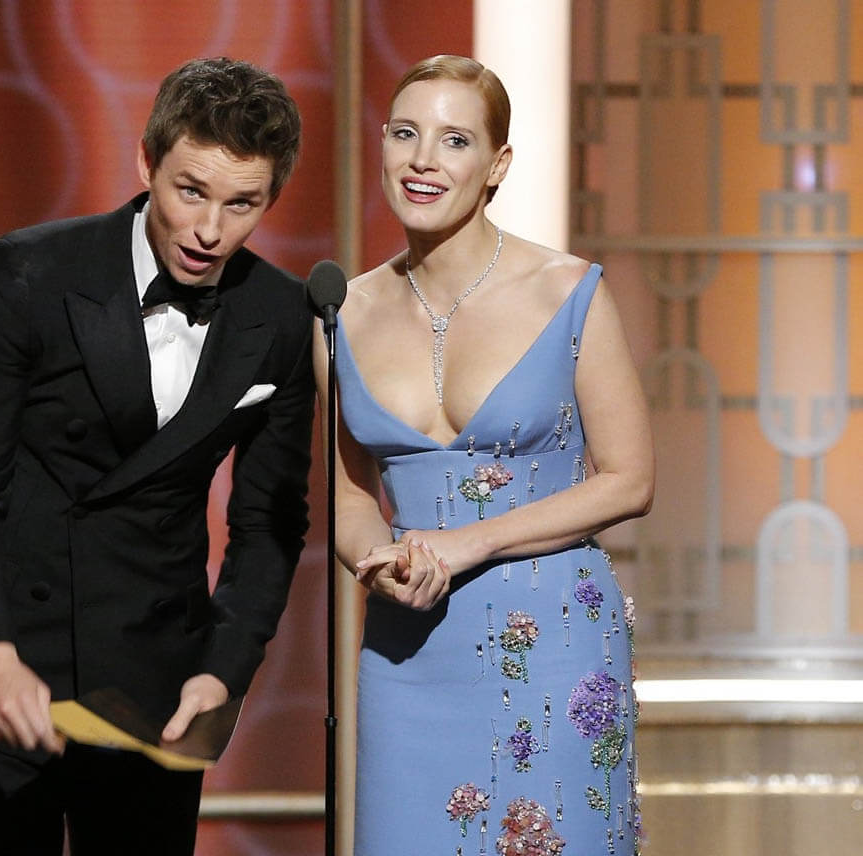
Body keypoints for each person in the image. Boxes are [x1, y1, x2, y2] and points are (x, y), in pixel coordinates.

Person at [0, 57, 312, 855]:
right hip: (6, 641)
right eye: (191, 191)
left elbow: (270, 523)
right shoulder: (30, 272)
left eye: (242, 203)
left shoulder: (282, 318)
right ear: (146, 162)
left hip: (154, 672)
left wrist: (223, 669)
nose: (210, 230)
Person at [314, 55, 654, 855]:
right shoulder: (342, 311)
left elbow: (631, 479)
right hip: (409, 652)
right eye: (405, 133)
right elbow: (346, 496)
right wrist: (376, 561)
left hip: (556, 644)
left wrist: (471, 542)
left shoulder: (566, 291)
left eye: (454, 139)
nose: (424, 159)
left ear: (496, 164)